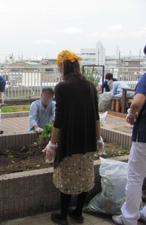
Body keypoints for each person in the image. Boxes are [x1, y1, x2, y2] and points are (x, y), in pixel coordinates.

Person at [42, 50, 104, 225]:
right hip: (88, 139)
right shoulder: (90, 85)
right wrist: (98, 139)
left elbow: (59, 119)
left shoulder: (62, 87)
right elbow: (96, 115)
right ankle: (78, 213)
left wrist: (52, 143)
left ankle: (62, 216)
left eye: (58, 66)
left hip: (70, 139)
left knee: (67, 176)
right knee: (84, 175)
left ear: (63, 65)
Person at [112, 45, 146, 225]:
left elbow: (136, 102)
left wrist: (132, 115)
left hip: (144, 137)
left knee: (135, 176)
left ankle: (129, 218)